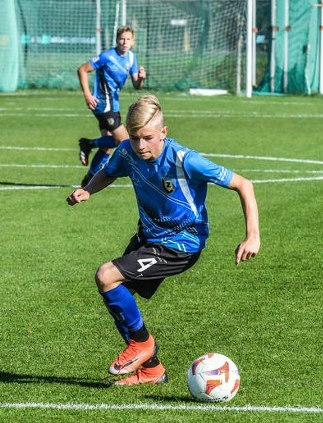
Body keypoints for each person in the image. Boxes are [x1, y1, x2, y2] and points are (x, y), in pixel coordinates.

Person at [66, 94, 260, 386]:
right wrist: (88, 190)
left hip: (181, 244)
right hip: (149, 236)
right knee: (118, 299)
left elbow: (243, 184)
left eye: (147, 137)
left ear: (163, 133)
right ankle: (152, 370)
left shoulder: (185, 160)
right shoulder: (126, 151)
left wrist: (252, 236)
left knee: (106, 275)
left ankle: (142, 346)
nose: (140, 145)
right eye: (134, 138)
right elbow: (108, 172)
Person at [77, 25, 146, 188]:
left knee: (108, 145)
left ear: (133, 41)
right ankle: (89, 144)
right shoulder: (107, 56)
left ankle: (89, 179)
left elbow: (136, 85)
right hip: (101, 103)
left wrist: (141, 78)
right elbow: (82, 70)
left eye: (128, 39)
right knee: (123, 140)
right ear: (116, 40)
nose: (124, 42)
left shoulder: (131, 58)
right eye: (122, 38)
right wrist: (87, 94)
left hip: (113, 104)